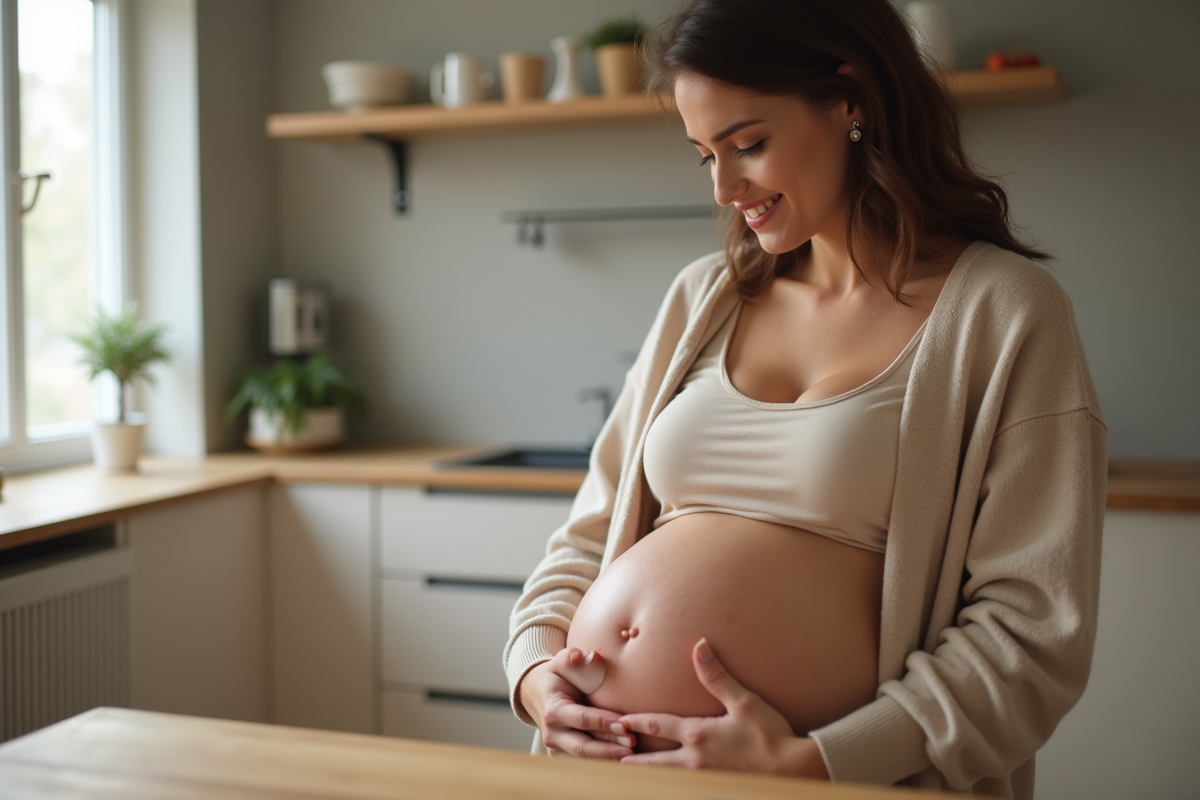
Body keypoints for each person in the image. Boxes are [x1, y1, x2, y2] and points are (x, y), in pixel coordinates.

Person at [503, 1, 1107, 797]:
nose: (723, 187)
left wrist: (817, 761)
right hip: (609, 776)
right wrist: (536, 671)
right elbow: (589, 535)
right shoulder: (702, 299)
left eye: (748, 144)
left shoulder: (1005, 311)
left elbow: (1032, 634)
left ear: (851, 100)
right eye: (703, 156)